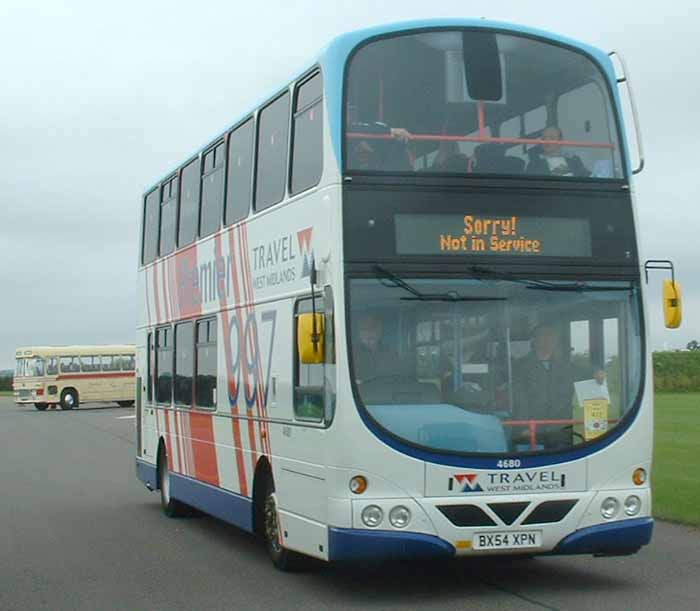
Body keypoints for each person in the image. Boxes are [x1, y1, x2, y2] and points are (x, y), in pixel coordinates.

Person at [512, 324, 604, 450]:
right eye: (544, 335)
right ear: (534, 339)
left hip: (561, 431)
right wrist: (523, 427)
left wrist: (597, 371)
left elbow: (587, 372)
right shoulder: (520, 367)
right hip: (532, 430)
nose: (549, 339)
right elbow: (519, 399)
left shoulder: (566, 367)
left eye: (552, 336)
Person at [526, 126, 591, 177]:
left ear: (560, 141)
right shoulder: (534, 165)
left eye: (552, 138)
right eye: (544, 138)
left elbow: (586, 178)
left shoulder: (574, 160)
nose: (547, 141)